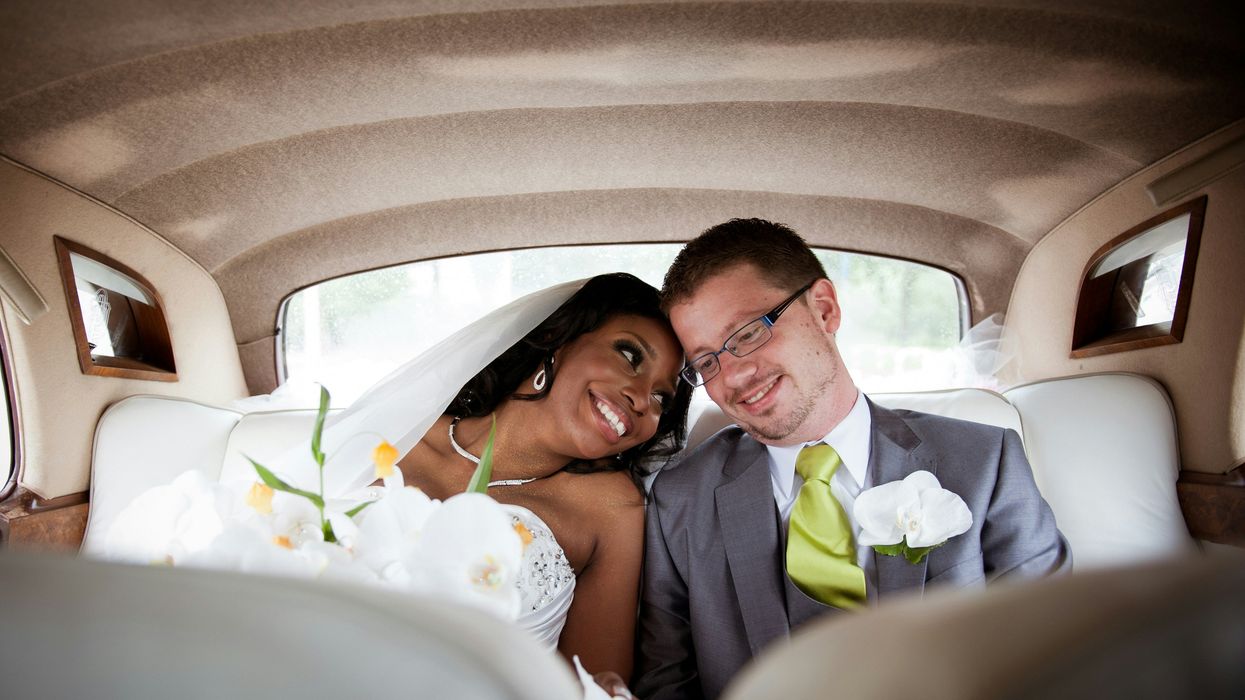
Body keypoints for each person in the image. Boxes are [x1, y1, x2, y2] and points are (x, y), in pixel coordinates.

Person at [632, 219, 1070, 700]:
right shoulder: (679, 500)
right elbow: (666, 681)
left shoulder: (984, 462)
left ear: (823, 309)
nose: (734, 376)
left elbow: (1053, 652)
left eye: (748, 334)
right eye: (706, 362)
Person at [385, 272, 693, 680]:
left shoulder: (612, 509)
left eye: (661, 398)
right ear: (559, 339)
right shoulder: (398, 435)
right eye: (630, 355)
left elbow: (597, 685)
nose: (641, 399)